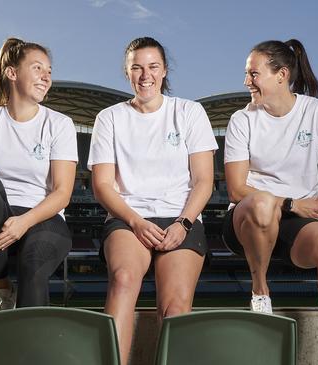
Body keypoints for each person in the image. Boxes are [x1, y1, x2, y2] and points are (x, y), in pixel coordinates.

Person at [223, 39, 318, 330]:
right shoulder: (242, 120)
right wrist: (292, 202)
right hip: (247, 219)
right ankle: (260, 291)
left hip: (294, 221)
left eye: (253, 74)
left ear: (281, 75)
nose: (246, 81)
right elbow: (236, 189)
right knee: (263, 202)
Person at [88, 37, 218, 363]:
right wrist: (135, 220)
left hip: (181, 217)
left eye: (153, 67)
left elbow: (204, 181)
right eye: (137, 67)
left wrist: (184, 222)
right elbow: (103, 185)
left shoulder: (189, 112)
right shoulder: (110, 118)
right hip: (128, 217)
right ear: (127, 73)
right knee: (123, 279)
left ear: (164, 71)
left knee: (173, 308)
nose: (145, 75)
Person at [0, 38, 77, 311]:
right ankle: (1, 284)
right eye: (37, 68)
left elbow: (63, 193)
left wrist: (24, 222)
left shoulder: (59, 124)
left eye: (49, 71)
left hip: (43, 217)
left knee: (33, 264)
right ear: (12, 72)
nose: (46, 77)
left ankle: (28, 349)